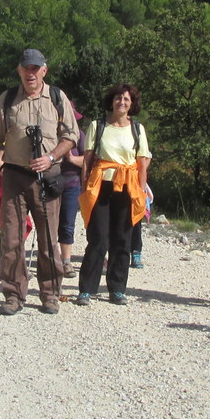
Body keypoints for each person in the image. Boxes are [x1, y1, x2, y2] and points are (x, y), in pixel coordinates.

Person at [0, 48, 78, 315]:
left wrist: (50, 157)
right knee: (12, 239)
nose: (30, 73)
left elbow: (70, 136)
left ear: (44, 71)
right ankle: (13, 294)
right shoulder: (8, 100)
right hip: (14, 175)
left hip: (48, 177)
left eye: (35, 68)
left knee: (49, 239)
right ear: (19, 71)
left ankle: (49, 294)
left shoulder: (58, 98)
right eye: (26, 68)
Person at [75, 84, 151, 306]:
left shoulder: (138, 129)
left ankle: (117, 289)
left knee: (122, 240)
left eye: (126, 99)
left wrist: (142, 193)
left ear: (132, 103)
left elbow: (142, 164)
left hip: (128, 187)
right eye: (118, 98)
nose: (122, 102)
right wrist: (84, 188)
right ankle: (86, 289)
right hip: (101, 186)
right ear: (111, 101)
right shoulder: (98, 126)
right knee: (97, 238)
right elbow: (87, 160)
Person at [58, 105, 86, 279]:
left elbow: (88, 160)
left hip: (72, 184)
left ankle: (66, 261)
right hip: (49, 183)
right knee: (48, 224)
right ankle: (50, 260)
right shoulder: (47, 134)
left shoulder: (80, 135)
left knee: (67, 224)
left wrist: (70, 158)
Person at [129, 183, 153, 268]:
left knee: (136, 223)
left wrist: (142, 191)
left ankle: (136, 253)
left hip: (136, 186)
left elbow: (143, 170)